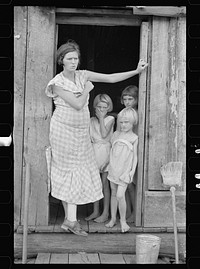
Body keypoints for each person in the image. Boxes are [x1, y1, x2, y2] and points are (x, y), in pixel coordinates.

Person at [45, 39, 148, 236]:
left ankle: (71, 220)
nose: (74, 62)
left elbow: (110, 78)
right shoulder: (57, 83)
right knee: (67, 170)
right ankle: (71, 220)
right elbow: (76, 104)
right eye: (69, 59)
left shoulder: (83, 75)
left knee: (78, 170)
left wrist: (136, 72)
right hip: (63, 131)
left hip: (80, 132)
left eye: (76, 58)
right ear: (61, 60)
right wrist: (87, 90)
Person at [105, 107, 138, 233]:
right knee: (113, 193)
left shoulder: (134, 138)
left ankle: (123, 220)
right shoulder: (115, 134)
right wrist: (108, 165)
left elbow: (135, 157)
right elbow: (112, 151)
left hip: (124, 171)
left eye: (126, 122)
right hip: (114, 168)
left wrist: (131, 171)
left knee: (120, 195)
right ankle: (113, 218)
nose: (123, 125)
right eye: (121, 122)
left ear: (133, 122)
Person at [85, 94, 115, 223]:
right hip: (93, 152)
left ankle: (105, 213)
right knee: (94, 185)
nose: (102, 110)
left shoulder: (110, 119)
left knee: (104, 185)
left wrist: (102, 118)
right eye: (99, 107)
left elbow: (103, 134)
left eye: (105, 107)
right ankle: (95, 211)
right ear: (95, 107)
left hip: (106, 152)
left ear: (109, 108)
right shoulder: (91, 120)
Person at [120, 85, 138, 223]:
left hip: (134, 150)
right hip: (123, 152)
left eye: (130, 99)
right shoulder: (123, 113)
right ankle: (128, 211)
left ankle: (135, 212)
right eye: (125, 99)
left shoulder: (137, 114)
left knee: (132, 184)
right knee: (125, 184)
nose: (127, 102)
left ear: (136, 99)